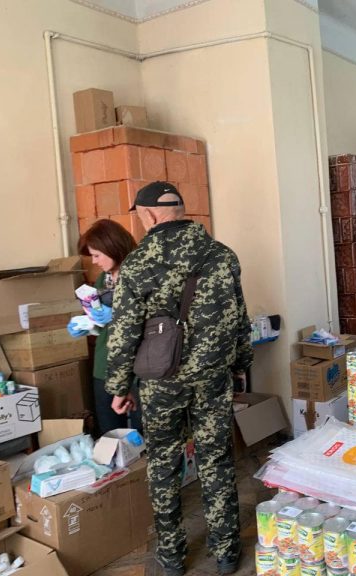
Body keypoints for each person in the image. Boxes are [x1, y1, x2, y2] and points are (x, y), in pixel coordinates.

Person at [104, 182, 253, 576]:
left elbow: (124, 332)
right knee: (216, 460)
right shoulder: (222, 255)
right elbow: (239, 317)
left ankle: (171, 557)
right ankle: (227, 552)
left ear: (149, 214)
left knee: (164, 464)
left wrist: (119, 387)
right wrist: (240, 363)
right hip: (213, 376)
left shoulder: (137, 263)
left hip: (161, 382)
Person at [66, 219, 142, 436]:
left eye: (97, 255)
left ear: (112, 247)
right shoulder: (103, 279)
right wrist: (87, 325)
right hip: (105, 365)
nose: (94, 261)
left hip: (137, 366)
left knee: (144, 430)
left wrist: (118, 314)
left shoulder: (141, 277)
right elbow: (100, 321)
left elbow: (154, 319)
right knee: (109, 432)